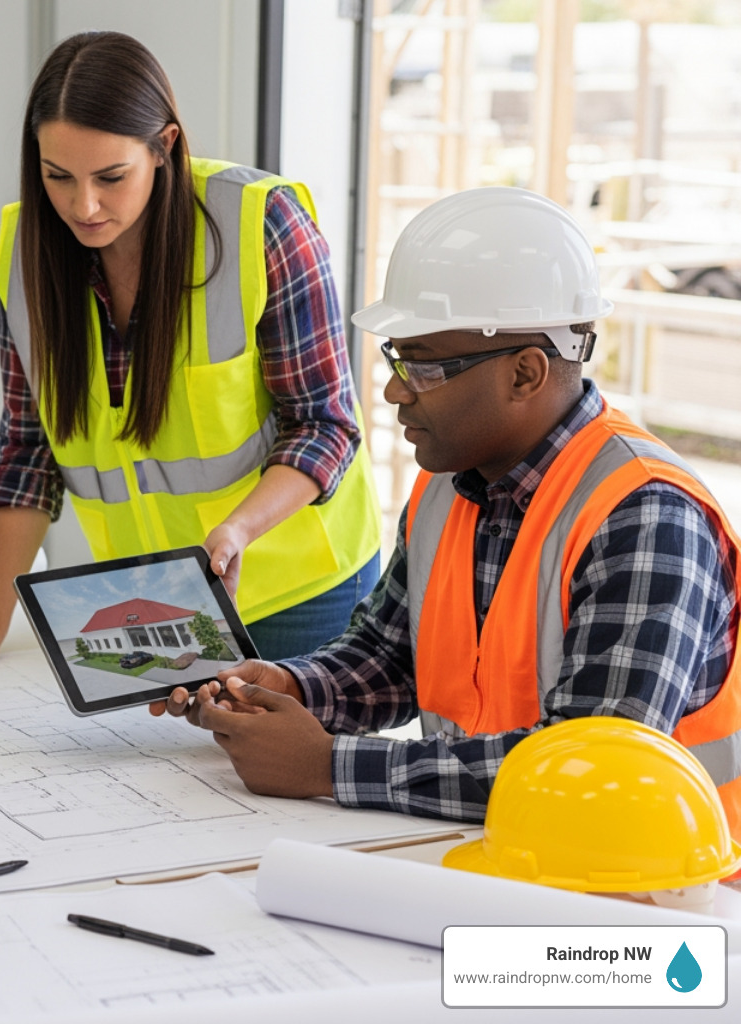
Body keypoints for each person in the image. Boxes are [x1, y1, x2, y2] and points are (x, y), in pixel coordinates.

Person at [156, 186, 741, 837]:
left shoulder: (646, 518)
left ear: (525, 374)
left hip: (664, 888)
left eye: (424, 366)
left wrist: (329, 767)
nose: (393, 389)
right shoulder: (448, 486)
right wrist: (286, 689)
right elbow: (385, 659)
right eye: (395, 357)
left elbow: (593, 770)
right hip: (496, 853)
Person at [0, 31, 383, 673]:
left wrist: (238, 529)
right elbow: (30, 449)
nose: (84, 205)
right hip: (159, 604)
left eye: (110, 176)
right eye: (58, 176)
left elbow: (326, 425)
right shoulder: (27, 254)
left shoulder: (261, 224)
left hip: (301, 593)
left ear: (165, 147)